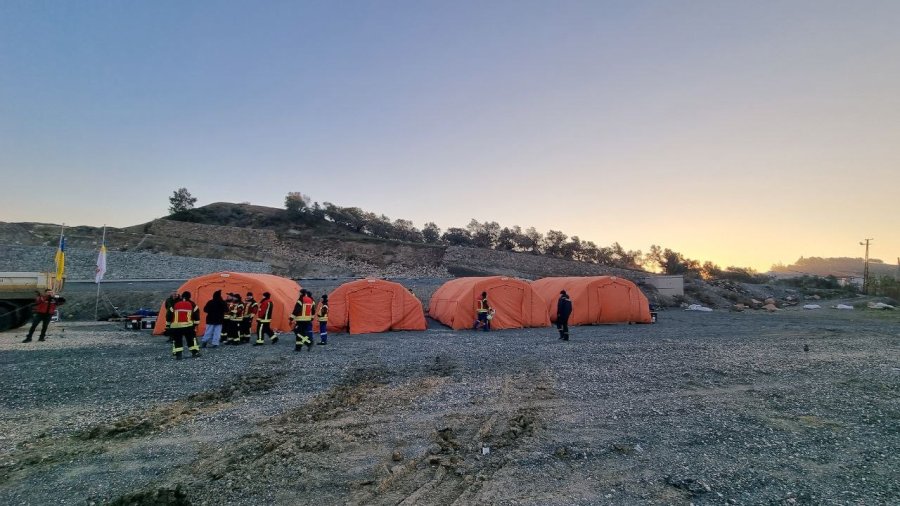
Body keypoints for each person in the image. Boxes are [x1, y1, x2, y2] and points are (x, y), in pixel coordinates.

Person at [168, 291, 200, 359]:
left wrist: (168, 326)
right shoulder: (192, 304)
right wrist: (195, 324)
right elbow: (196, 314)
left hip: (176, 327)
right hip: (188, 326)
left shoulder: (175, 304)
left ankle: (178, 355)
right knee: (191, 340)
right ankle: (195, 353)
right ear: (189, 296)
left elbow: (169, 315)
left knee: (177, 340)